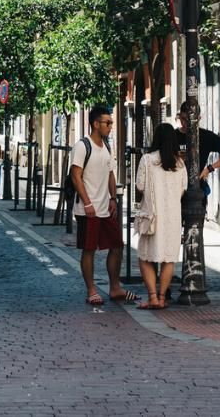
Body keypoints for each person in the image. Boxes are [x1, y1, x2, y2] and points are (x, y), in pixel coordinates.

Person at [71, 105, 136, 306]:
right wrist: (87, 202)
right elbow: (75, 175)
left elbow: (110, 173)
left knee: (117, 246)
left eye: (111, 123)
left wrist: (113, 198)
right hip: (88, 209)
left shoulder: (107, 146)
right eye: (107, 123)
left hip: (105, 208)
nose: (110, 126)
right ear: (95, 124)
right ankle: (91, 290)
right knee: (89, 249)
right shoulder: (83, 146)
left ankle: (115, 287)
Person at [136, 122, 188, 310]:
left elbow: (140, 186)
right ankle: (162, 298)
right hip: (172, 219)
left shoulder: (147, 160)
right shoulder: (180, 164)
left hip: (153, 217)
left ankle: (152, 297)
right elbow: (183, 189)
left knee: (144, 256)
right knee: (168, 258)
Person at [177, 106, 220, 194]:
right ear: (179, 117)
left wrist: (209, 169)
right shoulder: (172, 136)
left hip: (198, 190)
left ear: (198, 119)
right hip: (176, 189)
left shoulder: (206, 136)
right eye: (183, 119)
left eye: (191, 120)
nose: (187, 123)